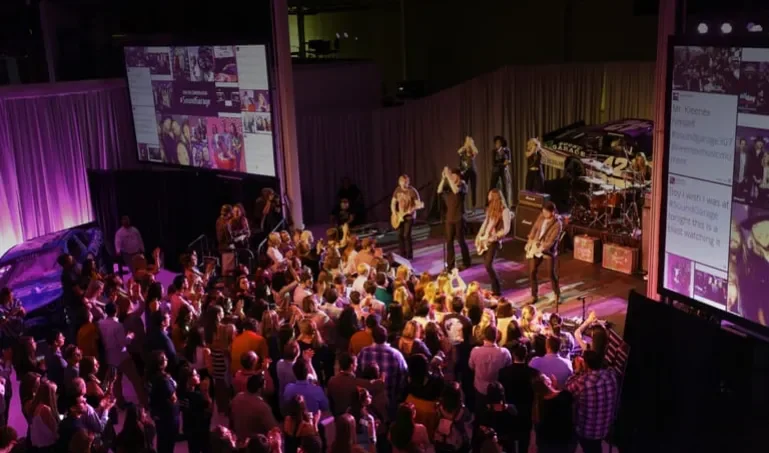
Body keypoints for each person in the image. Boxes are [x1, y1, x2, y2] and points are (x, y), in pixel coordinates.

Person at [565, 350, 618, 453]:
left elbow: (567, 390)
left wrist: (577, 371)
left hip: (587, 431)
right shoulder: (611, 375)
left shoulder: (583, 381)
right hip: (605, 427)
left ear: (585, 363)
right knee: (595, 447)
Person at [357, 325, 408, 417]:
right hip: (389, 402)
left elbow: (358, 375)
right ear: (386, 337)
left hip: (366, 401)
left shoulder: (363, 352)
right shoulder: (396, 355)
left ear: (372, 337)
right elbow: (404, 378)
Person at [498, 344, 537, 453]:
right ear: (526, 355)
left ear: (513, 355)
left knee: (509, 442)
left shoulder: (503, 372)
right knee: (524, 444)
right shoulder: (533, 373)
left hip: (509, 412)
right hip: (526, 413)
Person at [476, 189, 512, 295]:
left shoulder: (505, 211)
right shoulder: (490, 208)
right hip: (486, 239)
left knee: (488, 264)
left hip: (494, 241)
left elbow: (506, 229)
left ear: (495, 197)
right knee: (486, 264)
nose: (488, 198)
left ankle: (497, 290)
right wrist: (479, 235)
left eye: (490, 196)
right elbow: (485, 223)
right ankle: (494, 288)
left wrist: (495, 236)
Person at [526, 201, 563, 304]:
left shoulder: (557, 223)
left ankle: (557, 295)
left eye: (546, 212)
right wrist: (531, 240)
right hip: (537, 247)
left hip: (548, 250)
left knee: (551, 274)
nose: (544, 214)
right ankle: (534, 296)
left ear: (552, 212)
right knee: (532, 271)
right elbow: (535, 228)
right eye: (543, 211)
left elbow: (551, 240)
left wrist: (542, 247)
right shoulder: (541, 216)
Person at [468, 326, 511, 412]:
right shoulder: (504, 352)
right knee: (496, 417)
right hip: (497, 391)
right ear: (496, 337)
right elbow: (509, 368)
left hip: (480, 389)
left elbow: (471, 366)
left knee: (480, 414)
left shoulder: (475, 351)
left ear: (484, 336)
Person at [438, 167, 471, 271]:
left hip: (459, 218)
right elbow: (439, 191)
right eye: (450, 175)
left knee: (461, 241)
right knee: (449, 242)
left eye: (453, 175)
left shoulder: (463, 184)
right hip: (449, 218)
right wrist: (444, 179)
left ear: (458, 176)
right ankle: (450, 265)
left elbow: (456, 191)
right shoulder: (448, 185)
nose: (451, 177)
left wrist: (448, 176)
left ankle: (466, 262)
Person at [533, 373, 575, 453]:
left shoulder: (540, 403)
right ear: (547, 383)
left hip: (547, 442)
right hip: (564, 438)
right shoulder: (565, 395)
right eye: (547, 377)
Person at [146, 351, 180, 453]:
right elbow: (173, 397)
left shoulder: (151, 377)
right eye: (165, 359)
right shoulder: (163, 380)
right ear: (160, 363)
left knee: (162, 442)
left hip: (159, 414)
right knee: (168, 444)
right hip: (168, 416)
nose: (167, 360)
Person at [232, 373, 278, 440]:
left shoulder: (237, 398)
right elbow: (274, 430)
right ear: (260, 389)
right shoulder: (263, 407)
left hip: (239, 442)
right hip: (255, 445)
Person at [391, 175, 423, 260]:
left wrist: (412, 209)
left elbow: (419, 205)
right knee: (400, 235)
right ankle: (402, 255)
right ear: (399, 182)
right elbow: (393, 203)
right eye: (402, 182)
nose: (404, 184)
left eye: (405, 182)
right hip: (400, 216)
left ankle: (409, 256)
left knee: (406, 235)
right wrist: (394, 213)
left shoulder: (412, 191)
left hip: (409, 216)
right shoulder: (397, 190)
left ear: (408, 182)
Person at [458, 136, 479, 210]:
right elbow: (459, 151)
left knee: (473, 189)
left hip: (473, 172)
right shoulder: (463, 153)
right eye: (467, 143)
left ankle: (473, 207)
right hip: (465, 172)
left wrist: (471, 143)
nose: (468, 146)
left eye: (469, 144)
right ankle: (462, 207)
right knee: (463, 189)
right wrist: (466, 144)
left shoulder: (473, 153)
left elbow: (476, 151)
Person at [490, 136, 512, 204]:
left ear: (501, 143)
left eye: (499, 143)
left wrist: (503, 155)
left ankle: (507, 204)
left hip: (504, 171)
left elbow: (509, 160)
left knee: (505, 187)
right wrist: (503, 163)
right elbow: (494, 163)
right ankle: (488, 204)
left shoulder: (506, 150)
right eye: (496, 143)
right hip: (496, 170)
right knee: (492, 187)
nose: (497, 144)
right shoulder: (494, 151)